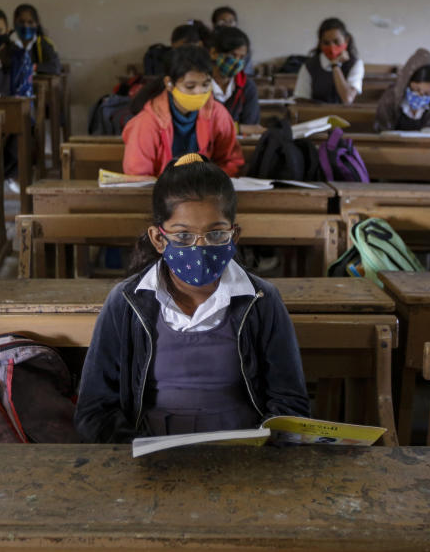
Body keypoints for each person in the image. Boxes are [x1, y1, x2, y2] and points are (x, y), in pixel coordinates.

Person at [74, 154, 310, 442]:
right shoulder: (126, 303)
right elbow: (93, 410)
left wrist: (266, 444)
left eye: (216, 234)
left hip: (242, 460)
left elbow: (290, 402)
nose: (200, 248)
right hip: (150, 459)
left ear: (234, 237)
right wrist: (134, 451)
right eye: (183, 236)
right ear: (158, 239)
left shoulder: (261, 301)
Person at [123, 46, 244, 177]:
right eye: (190, 86)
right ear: (169, 83)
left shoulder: (217, 114)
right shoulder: (147, 123)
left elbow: (231, 161)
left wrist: (212, 183)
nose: (199, 92)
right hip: (161, 193)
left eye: (205, 84)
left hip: (206, 192)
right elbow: (137, 176)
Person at [373, 48, 430, 131]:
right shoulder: (390, 99)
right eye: (416, 89)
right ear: (406, 83)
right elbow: (381, 130)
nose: (420, 95)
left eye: (428, 93)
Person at [293, 18, 363, 105]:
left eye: (336, 41)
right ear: (320, 43)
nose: (332, 47)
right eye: (326, 43)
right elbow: (301, 99)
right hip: (315, 115)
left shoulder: (355, 64)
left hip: (344, 116)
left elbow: (347, 99)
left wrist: (335, 66)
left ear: (346, 40)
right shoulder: (309, 65)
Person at [208, 26, 260, 130]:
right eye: (232, 55)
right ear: (214, 53)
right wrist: (238, 128)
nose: (237, 62)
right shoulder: (198, 85)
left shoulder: (247, 86)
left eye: (241, 57)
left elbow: (251, 127)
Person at [12, 3, 62, 75]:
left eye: (30, 22)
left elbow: (55, 66)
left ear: (37, 24)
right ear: (14, 22)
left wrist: (33, 67)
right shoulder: (7, 42)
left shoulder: (42, 43)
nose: (25, 26)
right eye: (21, 22)